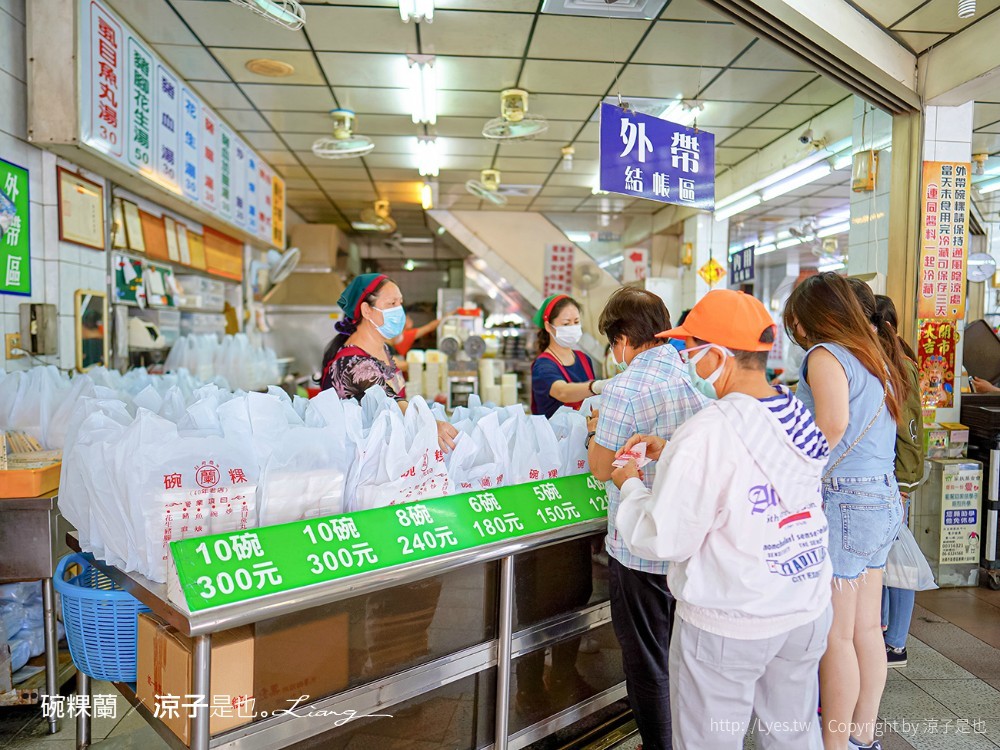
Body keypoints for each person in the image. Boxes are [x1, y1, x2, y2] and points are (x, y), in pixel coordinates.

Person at [611, 289, 833, 750]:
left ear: (717, 355)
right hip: (803, 604)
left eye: (690, 349)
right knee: (791, 735)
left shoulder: (710, 429)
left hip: (732, 619)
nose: (684, 357)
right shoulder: (793, 411)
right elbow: (754, 469)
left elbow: (664, 537)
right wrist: (672, 453)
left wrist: (631, 484)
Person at [784, 273, 907, 750]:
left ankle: (834, 746)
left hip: (845, 503)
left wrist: (794, 475)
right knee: (866, 631)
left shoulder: (825, 354)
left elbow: (830, 426)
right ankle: (862, 737)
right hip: (880, 499)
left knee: (836, 638)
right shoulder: (875, 353)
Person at [587, 287, 708, 750]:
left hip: (640, 546)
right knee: (682, 655)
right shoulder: (692, 375)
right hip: (689, 540)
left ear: (623, 339)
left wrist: (597, 431)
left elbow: (603, 469)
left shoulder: (626, 387)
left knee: (646, 659)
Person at [320, 272, 457, 451]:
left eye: (400, 303)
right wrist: (428, 422)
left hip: (385, 451)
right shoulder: (353, 364)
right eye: (392, 304)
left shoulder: (381, 348)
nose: (399, 310)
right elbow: (389, 399)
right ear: (366, 310)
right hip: (357, 462)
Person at [871, 293, 925, 669]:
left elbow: (906, 430)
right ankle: (886, 629)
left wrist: (902, 484)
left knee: (896, 559)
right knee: (885, 556)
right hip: (889, 474)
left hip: (896, 476)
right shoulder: (888, 361)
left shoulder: (899, 365)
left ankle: (897, 642)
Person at [530, 294, 609, 419]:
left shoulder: (584, 359)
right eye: (566, 324)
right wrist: (596, 386)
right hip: (554, 437)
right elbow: (562, 392)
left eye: (576, 322)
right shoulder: (543, 365)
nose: (572, 328)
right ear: (548, 326)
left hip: (584, 435)